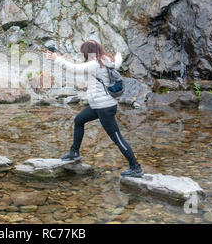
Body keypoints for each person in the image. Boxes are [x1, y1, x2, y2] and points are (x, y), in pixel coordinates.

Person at [46, 40, 144, 178]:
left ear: (89, 52)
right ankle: (74, 152)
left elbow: (74, 69)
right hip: (98, 105)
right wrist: (119, 56)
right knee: (79, 120)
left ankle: (135, 167)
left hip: (105, 107)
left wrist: (56, 59)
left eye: (84, 52)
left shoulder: (95, 64)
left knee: (117, 138)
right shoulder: (106, 60)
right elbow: (117, 63)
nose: (83, 55)